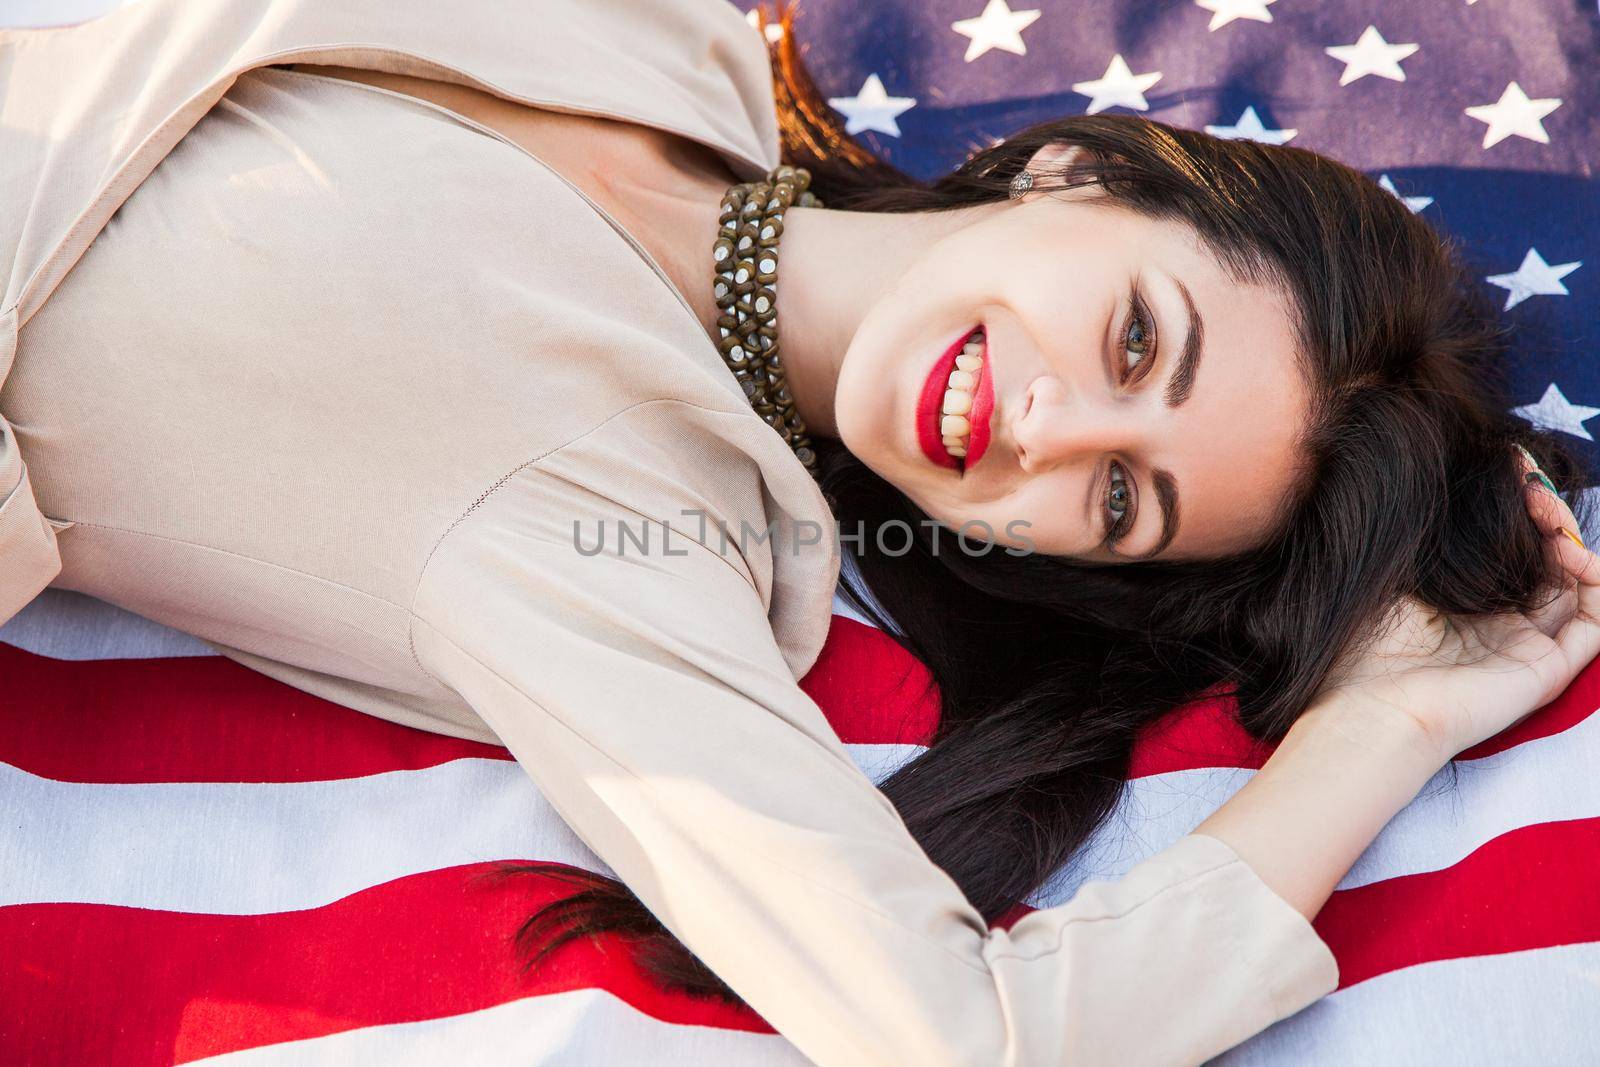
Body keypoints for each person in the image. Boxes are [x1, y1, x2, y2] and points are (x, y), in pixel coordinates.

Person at [0, 0, 1594, 1063]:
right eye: (1128, 344)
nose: (1047, 433)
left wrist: (1380, 729)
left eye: (1119, 501)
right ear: (1081, 170)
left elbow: (960, 1038)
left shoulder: (607, 513)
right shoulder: (663, 34)